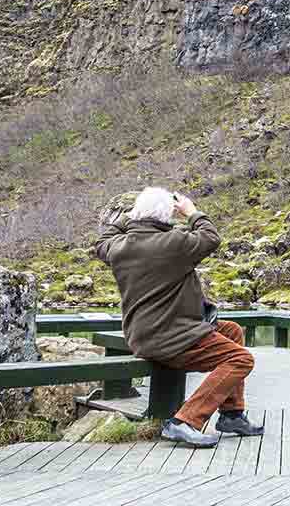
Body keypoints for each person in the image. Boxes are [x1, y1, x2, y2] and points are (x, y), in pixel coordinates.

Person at [95, 186, 264, 448]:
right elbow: (210, 237)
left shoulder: (118, 247)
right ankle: (185, 421)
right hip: (171, 336)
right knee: (241, 359)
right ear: (167, 215)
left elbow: (103, 240)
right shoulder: (173, 244)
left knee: (232, 331)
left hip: (144, 335)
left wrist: (132, 214)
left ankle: (232, 414)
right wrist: (191, 211)